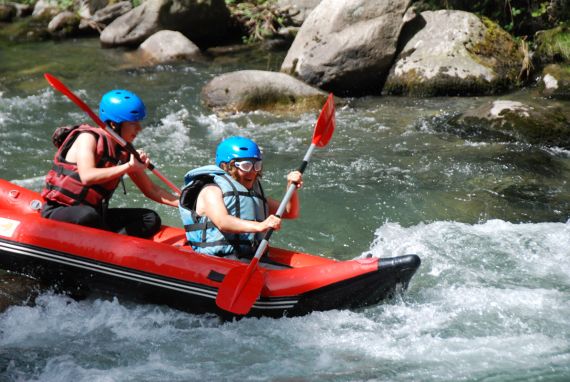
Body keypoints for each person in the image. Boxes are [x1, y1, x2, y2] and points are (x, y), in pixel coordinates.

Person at [41, 89, 178, 238]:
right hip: (62, 210)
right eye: (133, 123)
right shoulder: (88, 138)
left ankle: (116, 247)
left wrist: (185, 204)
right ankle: (107, 243)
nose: (139, 128)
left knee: (150, 218)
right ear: (113, 124)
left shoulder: (125, 152)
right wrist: (128, 167)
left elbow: (152, 190)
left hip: (96, 214)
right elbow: (87, 176)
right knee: (88, 215)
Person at [179, 136, 302, 258]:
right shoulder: (211, 191)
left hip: (251, 258)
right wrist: (260, 226)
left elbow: (289, 212)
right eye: (246, 165)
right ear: (226, 167)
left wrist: (291, 187)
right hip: (219, 259)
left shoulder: (253, 195)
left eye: (257, 165)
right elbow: (223, 221)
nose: (253, 171)